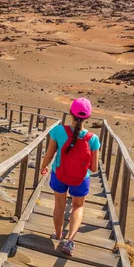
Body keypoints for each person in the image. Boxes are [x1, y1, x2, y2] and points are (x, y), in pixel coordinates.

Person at [40, 97, 100, 256]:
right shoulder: (93, 138)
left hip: (59, 174)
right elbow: (94, 168)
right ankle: (70, 241)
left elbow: (49, 153)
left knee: (59, 205)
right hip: (81, 178)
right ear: (88, 117)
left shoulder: (58, 131)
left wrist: (43, 166)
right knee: (78, 206)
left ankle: (58, 235)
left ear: (70, 113)